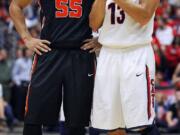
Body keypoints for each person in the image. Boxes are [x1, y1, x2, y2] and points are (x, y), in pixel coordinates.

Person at [9, 0, 100, 135]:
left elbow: (107, 10)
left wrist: (102, 38)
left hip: (81, 53)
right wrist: (26, 38)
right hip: (48, 51)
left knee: (77, 121)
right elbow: (15, 5)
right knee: (33, 116)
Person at [84, 0, 161, 134]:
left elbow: (144, 16)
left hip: (136, 53)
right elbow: (94, 24)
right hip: (109, 54)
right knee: (112, 124)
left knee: (142, 123)